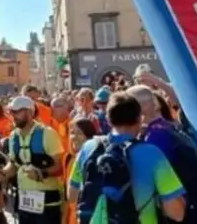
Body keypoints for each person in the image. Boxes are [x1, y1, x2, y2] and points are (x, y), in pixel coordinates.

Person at [68, 92, 186, 224]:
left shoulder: (89, 147)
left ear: (108, 119)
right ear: (139, 119)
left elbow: (71, 195)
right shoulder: (151, 153)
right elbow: (177, 213)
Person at [0, 95, 64, 224]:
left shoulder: (47, 133)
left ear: (30, 112)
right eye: (11, 112)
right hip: (24, 199)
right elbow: (13, 165)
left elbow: (60, 167)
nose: (13, 115)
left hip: (47, 201)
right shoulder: (13, 136)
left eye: (17, 111)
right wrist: (3, 172)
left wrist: (41, 173)